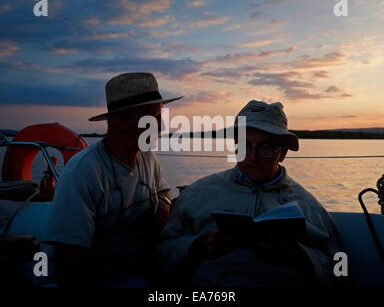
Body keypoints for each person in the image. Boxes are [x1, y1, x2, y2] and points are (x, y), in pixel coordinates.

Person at [157, 100, 345, 287]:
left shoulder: (309, 206)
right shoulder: (197, 194)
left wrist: (302, 258)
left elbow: (342, 268)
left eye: (265, 147)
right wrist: (196, 247)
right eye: (244, 145)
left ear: (282, 153)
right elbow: (161, 253)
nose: (252, 157)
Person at [43, 72, 182, 287]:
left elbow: (163, 194)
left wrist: (163, 206)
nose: (161, 127)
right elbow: (68, 263)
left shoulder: (147, 157)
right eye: (153, 118)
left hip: (137, 274)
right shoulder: (82, 173)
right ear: (122, 120)